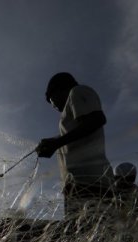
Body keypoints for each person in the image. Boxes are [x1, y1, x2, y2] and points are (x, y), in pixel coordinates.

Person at [36, 72, 115, 217]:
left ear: (58, 90)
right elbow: (76, 133)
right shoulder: (70, 109)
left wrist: (57, 143)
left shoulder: (77, 92)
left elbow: (96, 119)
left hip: (91, 182)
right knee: (82, 236)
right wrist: (54, 141)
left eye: (50, 99)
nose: (52, 105)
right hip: (78, 185)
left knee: (93, 233)